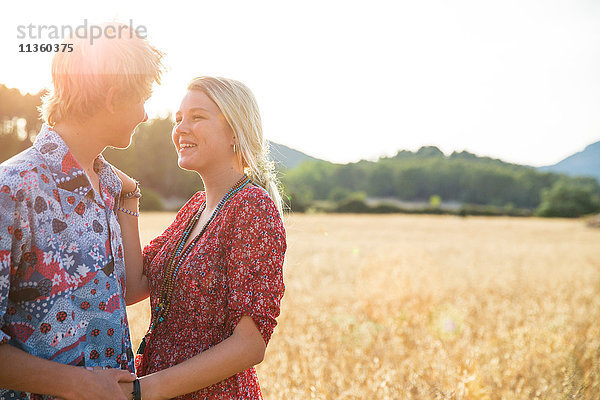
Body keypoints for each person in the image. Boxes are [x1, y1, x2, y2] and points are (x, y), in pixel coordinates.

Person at [0, 24, 164, 399]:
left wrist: (129, 193)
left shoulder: (109, 189)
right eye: (142, 98)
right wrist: (84, 385)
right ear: (111, 97)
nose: (144, 114)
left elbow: (121, 292)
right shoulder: (11, 190)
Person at [117, 76, 286, 399]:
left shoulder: (251, 207)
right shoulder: (196, 207)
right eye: (179, 118)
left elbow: (250, 345)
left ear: (234, 131)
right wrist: (130, 198)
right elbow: (133, 285)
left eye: (197, 117)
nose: (180, 128)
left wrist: (142, 391)